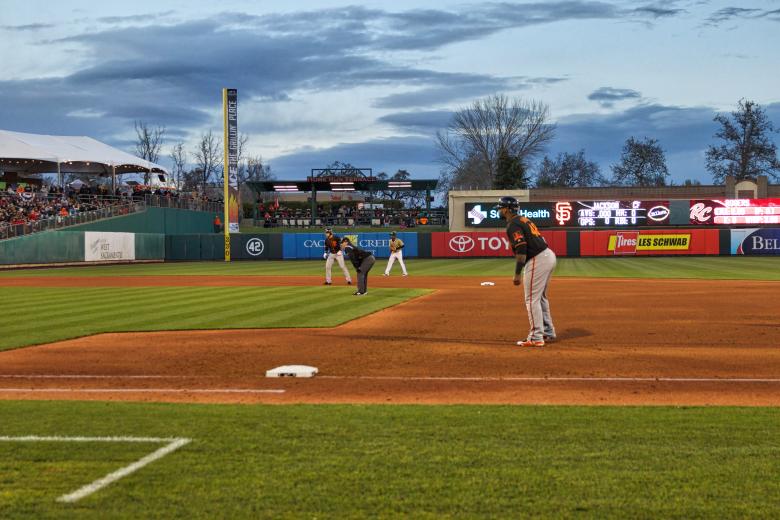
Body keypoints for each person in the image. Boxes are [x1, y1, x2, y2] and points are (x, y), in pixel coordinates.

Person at [496, 196, 557, 347]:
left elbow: (522, 249)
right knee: (540, 298)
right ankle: (548, 332)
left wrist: (517, 273)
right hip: (547, 255)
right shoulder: (522, 219)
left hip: (537, 258)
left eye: (500, 207)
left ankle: (536, 337)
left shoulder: (513, 225)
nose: (499, 210)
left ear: (506, 209)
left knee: (531, 299)